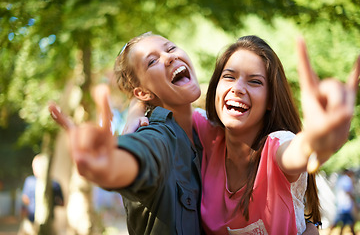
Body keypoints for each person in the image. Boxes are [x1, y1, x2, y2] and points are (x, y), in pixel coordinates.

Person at [191, 35, 359, 234]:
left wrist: (319, 138)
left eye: (254, 81)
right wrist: (142, 109)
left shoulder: (277, 147)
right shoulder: (205, 130)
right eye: (229, 76)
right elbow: (167, 101)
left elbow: (299, 151)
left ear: (270, 100)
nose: (237, 88)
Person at [48, 32, 203, 235]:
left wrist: (135, 106)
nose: (169, 57)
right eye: (152, 61)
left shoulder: (208, 131)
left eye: (170, 48)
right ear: (143, 93)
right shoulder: (156, 136)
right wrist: (108, 161)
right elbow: (140, 156)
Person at [19, 154, 64, 235]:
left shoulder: (54, 184)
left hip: (48, 223)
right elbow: (25, 199)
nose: (34, 168)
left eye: (35, 166)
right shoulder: (30, 181)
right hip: (31, 222)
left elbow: (62, 202)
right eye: (33, 166)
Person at [328, 169, 357, 235]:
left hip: (342, 205)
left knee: (345, 224)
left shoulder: (341, 179)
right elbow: (348, 192)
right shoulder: (347, 180)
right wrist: (354, 200)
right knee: (346, 223)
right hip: (345, 206)